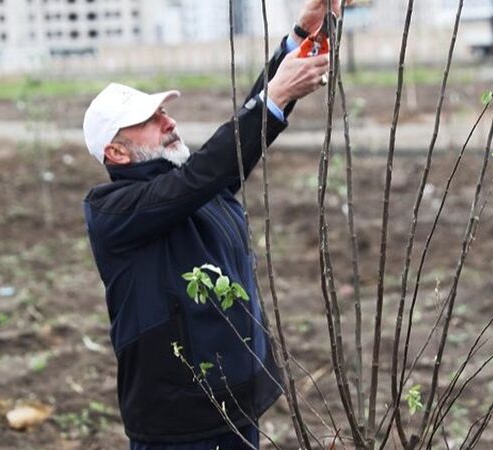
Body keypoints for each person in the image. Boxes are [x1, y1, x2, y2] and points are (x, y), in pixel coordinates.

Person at [81, 1, 347, 448]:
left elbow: (222, 160)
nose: (169, 122)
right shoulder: (115, 210)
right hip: (180, 425)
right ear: (117, 153)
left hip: (235, 405)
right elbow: (203, 174)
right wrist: (276, 98)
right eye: (149, 121)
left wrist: (299, 37)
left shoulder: (189, 184)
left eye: (163, 112)